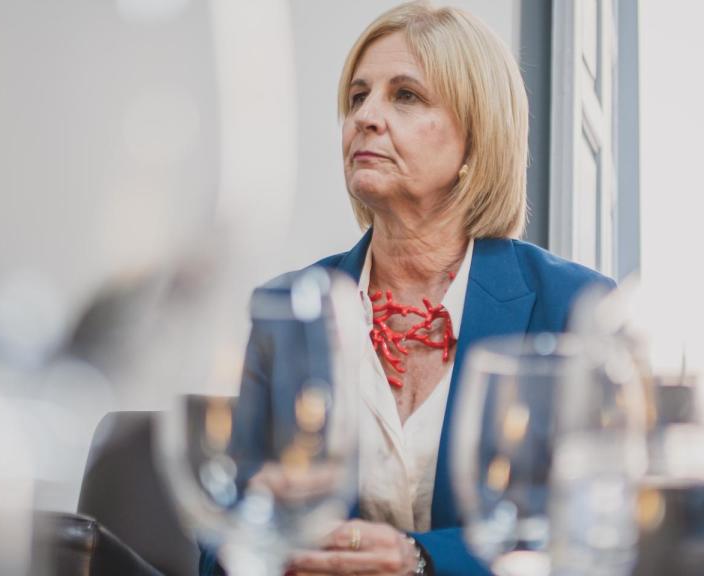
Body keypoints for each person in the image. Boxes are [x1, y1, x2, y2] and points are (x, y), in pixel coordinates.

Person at [201, 2, 613, 574]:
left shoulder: (578, 310)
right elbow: (220, 536)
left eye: (406, 96)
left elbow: (599, 533)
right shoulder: (285, 310)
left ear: (475, 137)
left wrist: (422, 559)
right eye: (357, 97)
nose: (366, 117)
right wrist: (266, 541)